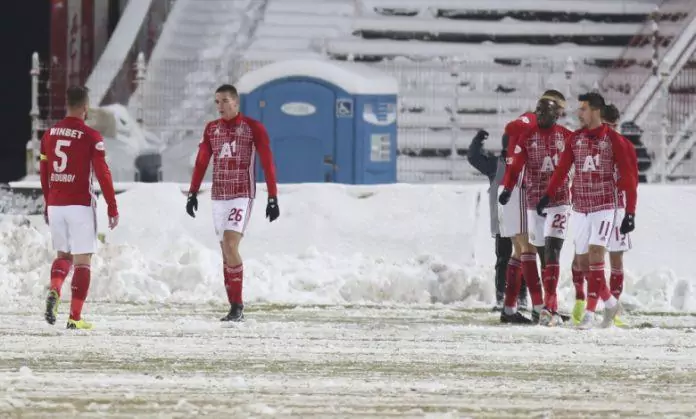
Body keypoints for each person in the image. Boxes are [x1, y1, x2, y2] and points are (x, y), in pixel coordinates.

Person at [538, 92, 637, 329]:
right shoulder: (576, 139)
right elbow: (562, 169)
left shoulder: (615, 140)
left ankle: (590, 314)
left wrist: (630, 212)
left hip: (605, 206)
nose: (578, 113)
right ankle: (610, 302)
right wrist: (547, 195)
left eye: (582, 109)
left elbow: (630, 177)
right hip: (580, 206)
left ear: (595, 111)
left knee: (596, 254)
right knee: (581, 264)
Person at [186, 84, 279, 322]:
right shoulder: (211, 129)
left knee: (230, 244)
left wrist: (272, 196)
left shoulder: (252, 128)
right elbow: (201, 162)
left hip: (241, 194)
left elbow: (267, 161)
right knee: (225, 253)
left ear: (236, 103)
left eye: (225, 101)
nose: (220, 106)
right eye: (217, 102)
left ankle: (238, 306)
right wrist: (192, 193)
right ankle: (233, 306)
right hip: (219, 196)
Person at [39, 85, 119, 330]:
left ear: (67, 104)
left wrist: (47, 199)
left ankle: (55, 288)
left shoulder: (49, 135)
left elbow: (44, 171)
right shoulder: (91, 137)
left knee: (63, 256)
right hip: (80, 205)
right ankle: (74, 317)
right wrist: (112, 206)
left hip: (56, 203)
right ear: (86, 107)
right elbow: (103, 174)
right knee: (83, 261)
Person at [499, 93, 572, 326]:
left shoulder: (556, 133)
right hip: (521, 188)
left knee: (520, 250)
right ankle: (540, 307)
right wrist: (528, 119)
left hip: (521, 188)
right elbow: (511, 127)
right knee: (528, 248)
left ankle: (511, 308)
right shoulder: (529, 122)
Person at [467, 129, 528, 312]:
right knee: (514, 257)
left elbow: (474, 157)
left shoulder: (503, 163)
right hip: (510, 218)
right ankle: (511, 296)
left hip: (512, 218)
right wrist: (478, 141)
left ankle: (513, 296)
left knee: (508, 258)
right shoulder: (500, 163)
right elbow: (474, 157)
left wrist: (478, 140)